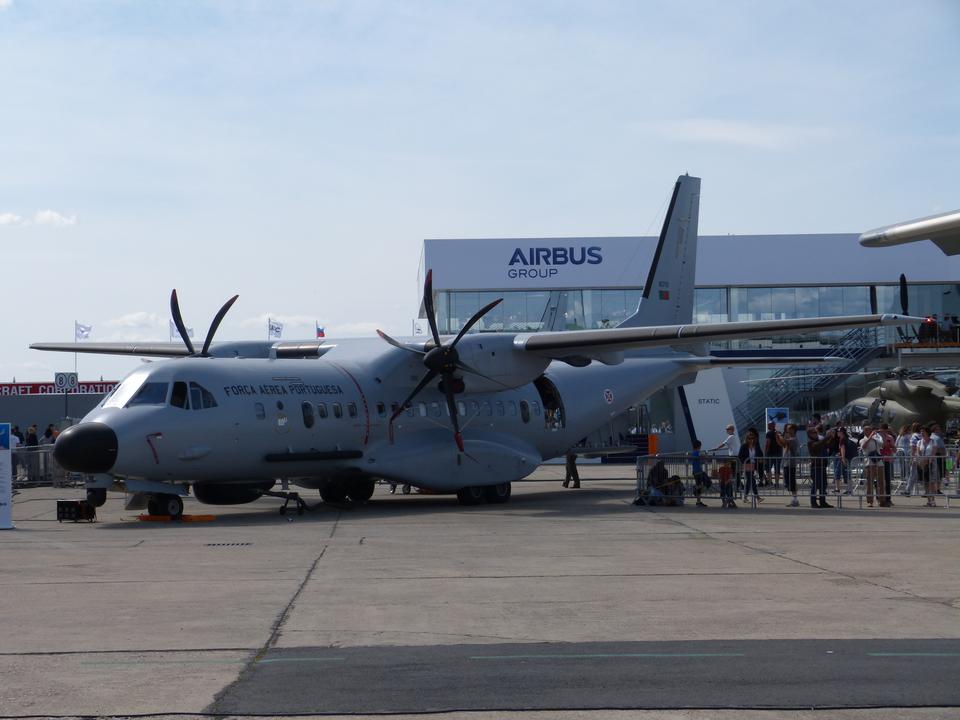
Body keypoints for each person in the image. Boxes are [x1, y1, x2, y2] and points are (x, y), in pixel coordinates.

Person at [710, 424, 739, 508]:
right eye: (726, 429)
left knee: (731, 472)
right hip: (734, 456)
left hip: (733, 456)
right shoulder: (734, 437)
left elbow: (723, 444)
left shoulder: (731, 437)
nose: (726, 430)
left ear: (732, 430)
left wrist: (716, 448)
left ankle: (733, 485)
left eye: (728, 429)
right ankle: (734, 486)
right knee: (732, 472)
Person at [808, 425, 832, 508]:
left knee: (823, 485)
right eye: (814, 432)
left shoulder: (820, 440)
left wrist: (831, 437)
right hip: (816, 466)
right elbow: (817, 446)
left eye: (816, 432)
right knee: (815, 485)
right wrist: (827, 437)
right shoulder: (811, 442)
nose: (816, 433)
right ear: (810, 434)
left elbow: (827, 445)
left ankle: (823, 501)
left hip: (822, 465)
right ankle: (813, 502)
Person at [859, 425, 883, 507]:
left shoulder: (876, 439)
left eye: (869, 430)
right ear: (864, 431)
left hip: (878, 462)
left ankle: (881, 500)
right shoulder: (862, 440)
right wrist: (869, 437)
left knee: (880, 482)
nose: (868, 431)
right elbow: (863, 446)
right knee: (870, 483)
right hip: (869, 463)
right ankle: (870, 501)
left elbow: (882, 444)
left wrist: (876, 436)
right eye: (866, 430)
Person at [738, 428, 764, 504]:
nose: (751, 439)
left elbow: (760, 454)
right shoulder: (744, 446)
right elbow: (740, 456)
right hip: (747, 464)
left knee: (750, 481)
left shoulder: (756, 445)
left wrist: (760, 461)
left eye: (752, 438)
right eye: (749, 438)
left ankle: (746, 497)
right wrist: (745, 461)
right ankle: (757, 497)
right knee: (751, 480)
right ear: (747, 438)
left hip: (754, 465)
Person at [779, 423, 800, 507]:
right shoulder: (790, 438)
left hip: (791, 463)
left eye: (789, 429)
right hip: (787, 463)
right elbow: (782, 444)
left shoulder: (794, 439)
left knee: (791, 482)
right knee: (788, 482)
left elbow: (784, 441)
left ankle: (795, 499)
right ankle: (794, 498)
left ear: (793, 430)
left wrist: (779, 435)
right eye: (787, 429)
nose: (787, 431)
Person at [917, 426, 938, 507]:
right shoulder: (919, 442)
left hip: (931, 463)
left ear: (927, 433)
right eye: (921, 431)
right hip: (922, 464)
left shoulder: (933, 442)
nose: (921, 433)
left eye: (923, 431)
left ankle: (933, 500)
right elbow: (918, 453)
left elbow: (933, 453)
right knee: (925, 482)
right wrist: (921, 461)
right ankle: (929, 501)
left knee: (931, 482)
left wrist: (927, 461)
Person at [878, 423, 896, 507]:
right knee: (878, 480)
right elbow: (880, 446)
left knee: (887, 480)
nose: (882, 431)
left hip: (887, 460)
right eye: (881, 430)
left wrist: (892, 446)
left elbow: (894, 449)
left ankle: (888, 499)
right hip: (878, 460)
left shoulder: (890, 437)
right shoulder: (877, 437)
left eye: (884, 430)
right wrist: (883, 439)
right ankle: (879, 498)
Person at [690, 440, 710, 508]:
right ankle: (695, 488)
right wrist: (706, 456)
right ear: (699, 446)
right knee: (707, 483)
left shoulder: (694, 452)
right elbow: (701, 455)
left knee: (700, 486)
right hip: (698, 472)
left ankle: (698, 501)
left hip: (697, 471)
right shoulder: (696, 452)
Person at [764, 421, 782, 488]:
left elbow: (767, 443)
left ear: (771, 425)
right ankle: (777, 484)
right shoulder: (778, 433)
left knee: (768, 469)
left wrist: (765, 452)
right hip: (778, 453)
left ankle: (770, 484)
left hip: (770, 454)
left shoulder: (769, 433)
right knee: (777, 469)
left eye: (768, 425)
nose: (768, 426)